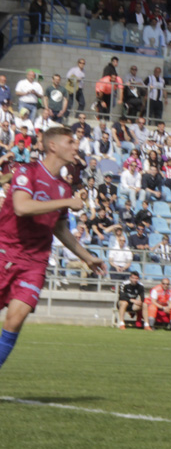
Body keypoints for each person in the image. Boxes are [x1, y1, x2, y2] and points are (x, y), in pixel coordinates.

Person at [0, 127, 106, 372]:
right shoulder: (27, 171)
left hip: (35, 263)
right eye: (70, 142)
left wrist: (88, 257)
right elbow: (21, 207)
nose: (75, 146)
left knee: (15, 320)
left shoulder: (63, 187)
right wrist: (68, 202)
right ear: (53, 146)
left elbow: (60, 230)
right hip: (6, 251)